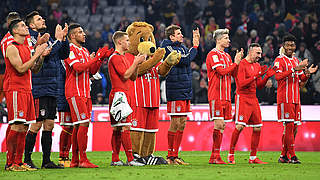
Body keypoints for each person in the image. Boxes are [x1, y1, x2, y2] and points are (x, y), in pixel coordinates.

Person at [0, 11, 49, 170]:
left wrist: (40, 56)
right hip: (15, 89)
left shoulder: (26, 47)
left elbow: (34, 69)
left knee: (25, 126)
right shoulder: (11, 46)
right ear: (14, 30)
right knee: (16, 124)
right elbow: (20, 68)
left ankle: (19, 162)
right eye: (22, 25)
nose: (25, 27)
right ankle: (10, 163)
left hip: (28, 89)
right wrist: (37, 54)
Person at [24, 11, 69, 169]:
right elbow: (47, 54)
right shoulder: (30, 38)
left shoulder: (47, 38)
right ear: (31, 25)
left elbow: (63, 54)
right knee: (36, 124)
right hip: (39, 85)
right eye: (38, 19)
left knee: (49, 124)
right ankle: (26, 159)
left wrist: (63, 39)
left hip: (52, 86)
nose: (43, 20)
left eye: (42, 18)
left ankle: (46, 161)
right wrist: (57, 40)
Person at [65, 23, 113, 168]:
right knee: (83, 123)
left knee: (79, 125)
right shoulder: (69, 49)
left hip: (85, 91)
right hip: (75, 91)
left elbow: (91, 71)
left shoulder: (85, 50)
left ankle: (74, 160)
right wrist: (95, 57)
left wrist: (100, 59)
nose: (84, 34)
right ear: (72, 36)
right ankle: (83, 159)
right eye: (80, 32)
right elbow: (78, 68)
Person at [228, 43, 275, 164]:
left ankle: (253, 157)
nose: (260, 55)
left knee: (258, 127)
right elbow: (242, 83)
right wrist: (257, 75)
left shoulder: (257, 65)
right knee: (240, 126)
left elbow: (258, 85)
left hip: (253, 98)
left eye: (260, 53)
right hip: (242, 97)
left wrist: (265, 77)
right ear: (250, 52)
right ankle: (231, 154)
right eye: (257, 53)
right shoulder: (242, 64)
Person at [274, 34, 318, 164]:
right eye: (287, 44)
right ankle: (292, 155)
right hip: (285, 98)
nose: (290, 47)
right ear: (283, 46)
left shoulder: (295, 60)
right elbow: (277, 77)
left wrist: (307, 73)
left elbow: (300, 80)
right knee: (288, 126)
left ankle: (283, 155)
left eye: (292, 45)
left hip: (295, 98)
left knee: (294, 128)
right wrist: (295, 69)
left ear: (295, 47)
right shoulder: (279, 60)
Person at [160, 24, 200, 165]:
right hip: (175, 89)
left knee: (182, 123)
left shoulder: (183, 48)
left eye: (181, 33)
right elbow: (185, 60)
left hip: (185, 89)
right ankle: (170, 155)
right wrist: (194, 47)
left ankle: (175, 155)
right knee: (175, 122)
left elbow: (190, 58)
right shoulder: (167, 47)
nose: (182, 35)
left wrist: (194, 46)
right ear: (171, 37)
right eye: (178, 34)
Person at [108, 31, 146, 166]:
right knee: (125, 127)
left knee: (118, 128)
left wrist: (138, 64)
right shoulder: (115, 57)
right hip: (119, 95)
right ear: (120, 42)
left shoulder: (124, 57)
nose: (130, 43)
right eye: (127, 40)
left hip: (125, 94)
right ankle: (130, 159)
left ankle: (115, 159)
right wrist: (135, 62)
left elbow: (133, 77)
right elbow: (124, 75)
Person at [205, 28, 243, 164]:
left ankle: (214, 156)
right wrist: (236, 63)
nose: (229, 40)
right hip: (216, 95)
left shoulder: (227, 56)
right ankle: (215, 156)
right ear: (219, 40)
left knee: (222, 126)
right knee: (219, 124)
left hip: (226, 96)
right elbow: (221, 71)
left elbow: (233, 73)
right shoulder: (213, 55)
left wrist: (237, 63)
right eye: (226, 38)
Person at [57, 56, 73, 167]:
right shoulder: (61, 60)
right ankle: (62, 156)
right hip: (63, 96)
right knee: (67, 126)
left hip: (73, 93)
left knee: (72, 127)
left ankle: (68, 154)